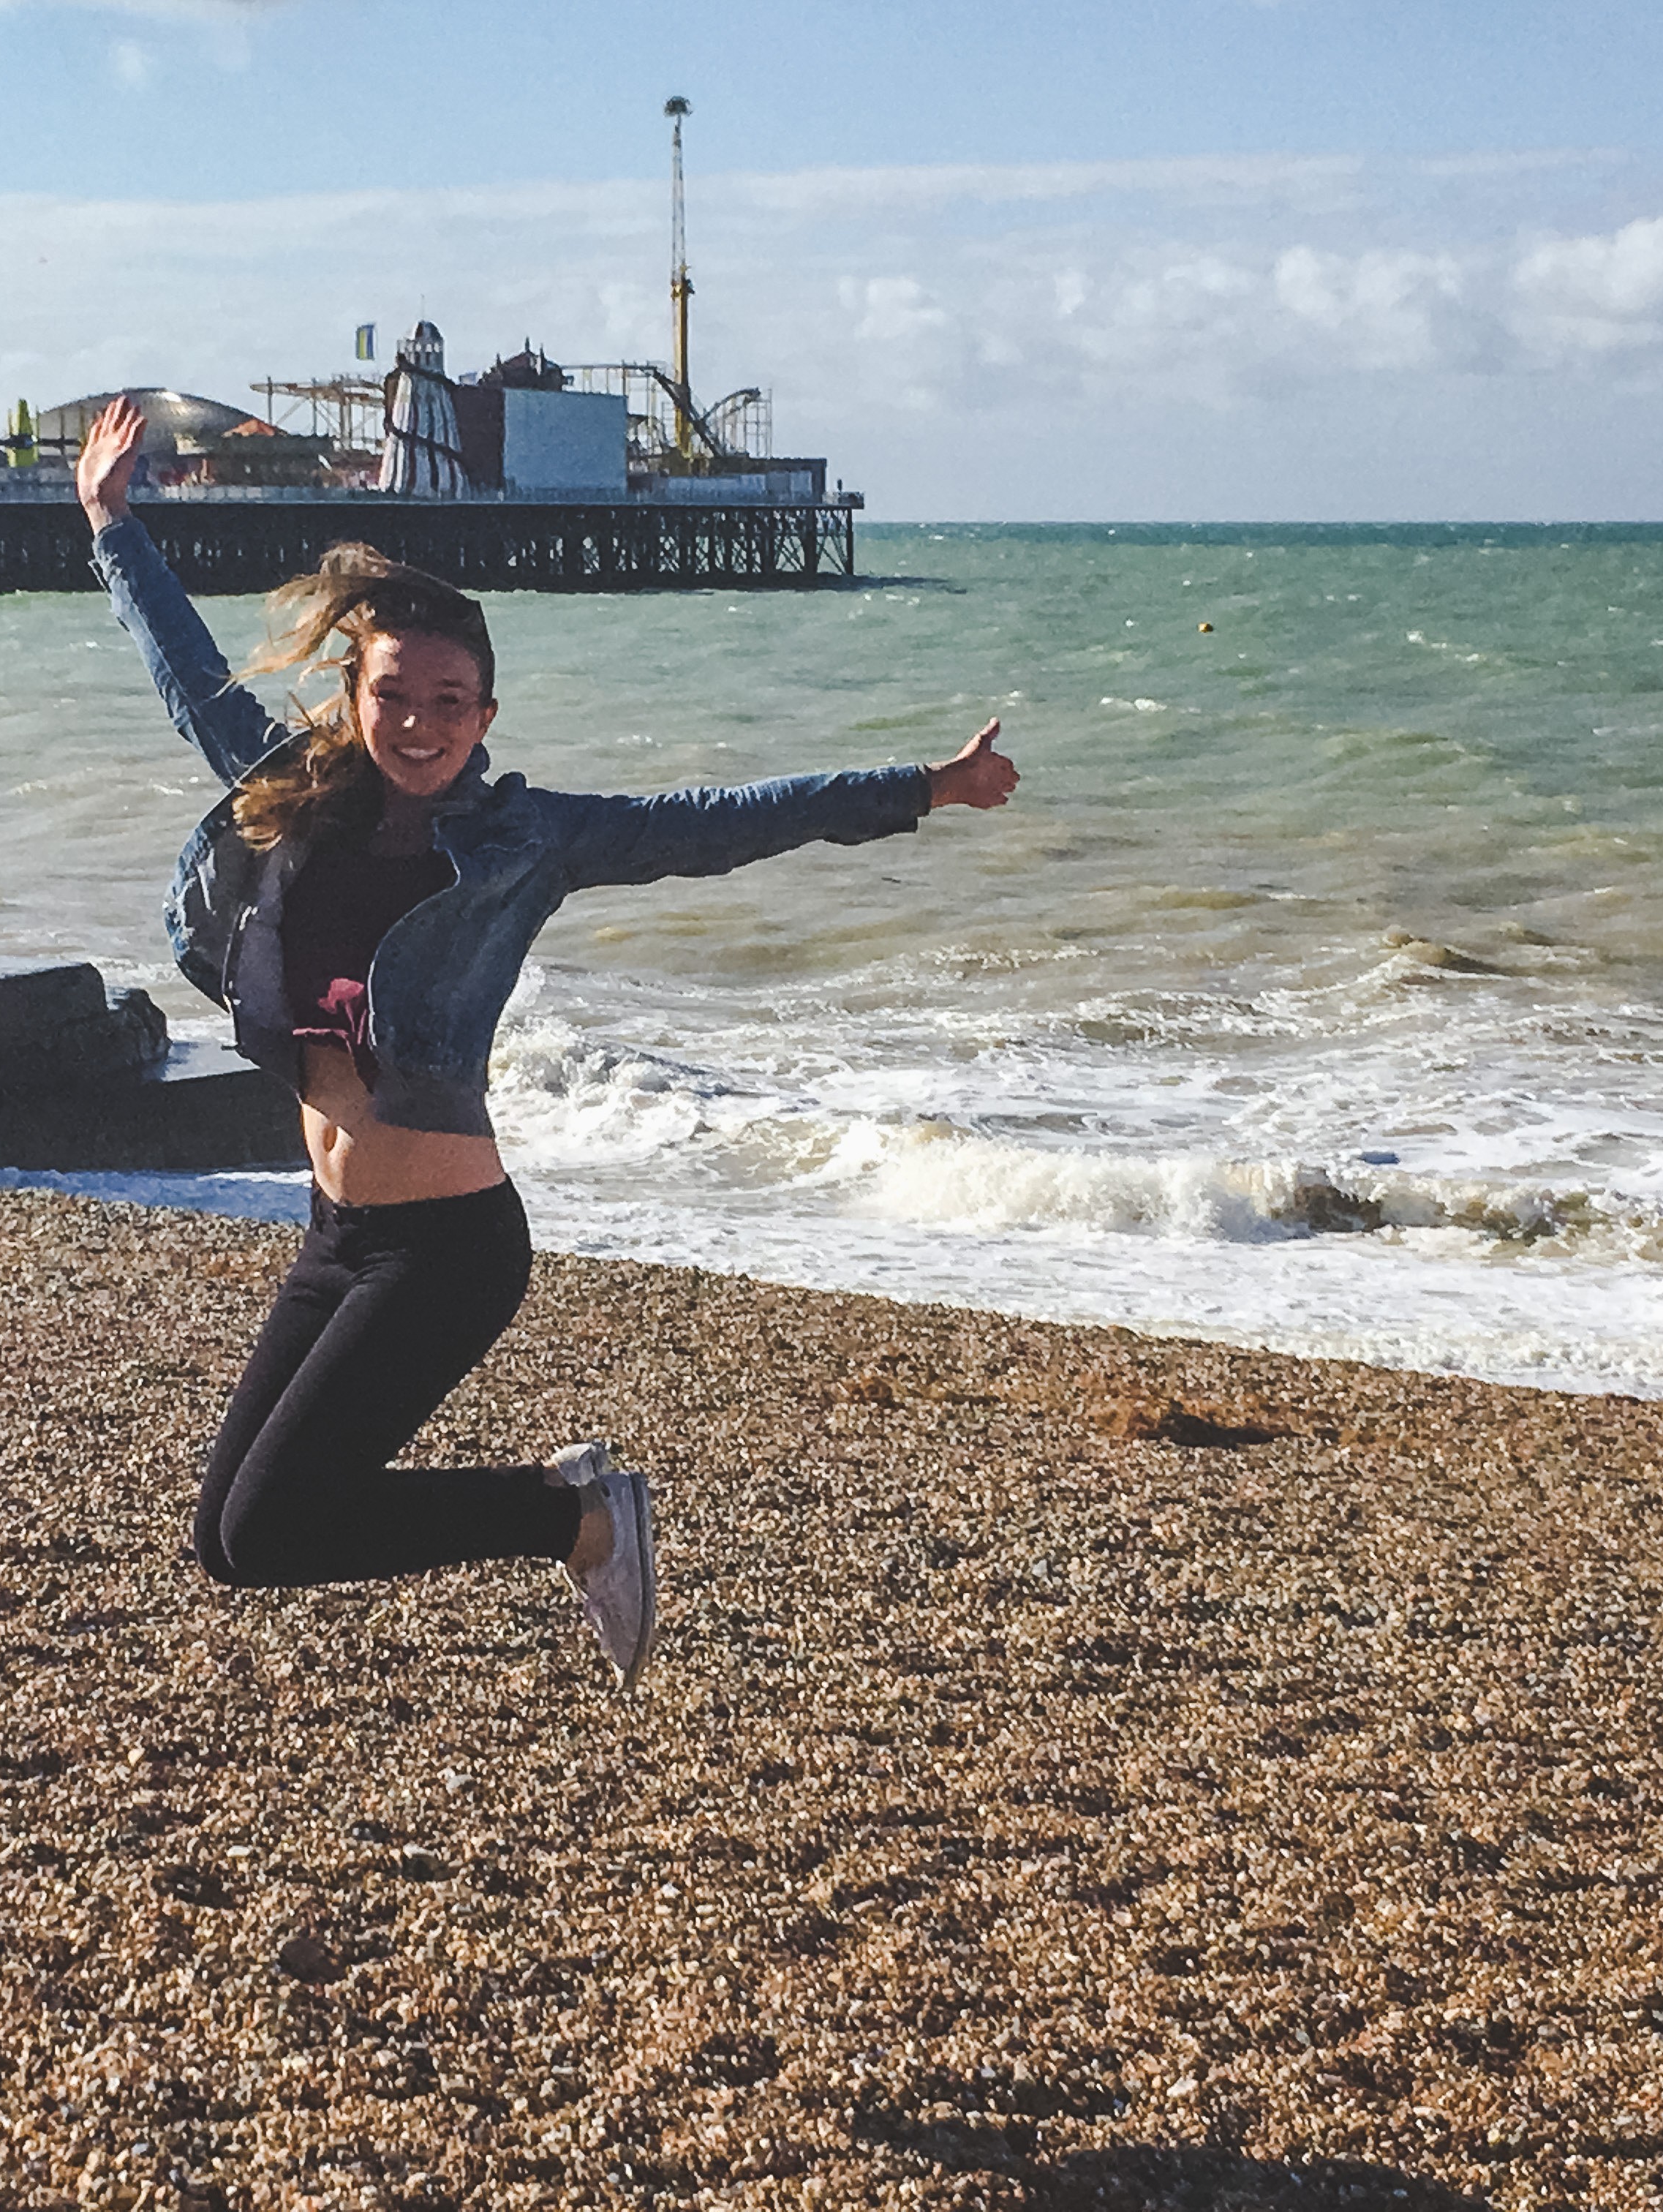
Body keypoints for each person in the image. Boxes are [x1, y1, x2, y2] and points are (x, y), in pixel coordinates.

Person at [78, 396, 1017, 1690]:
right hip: (335, 1234)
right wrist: (112, 524)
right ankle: (570, 1510)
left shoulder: (529, 841)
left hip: (449, 1251)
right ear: (354, 696)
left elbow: (723, 820)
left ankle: (573, 1513)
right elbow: (189, 681)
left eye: (450, 702)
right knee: (230, 1543)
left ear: (489, 713)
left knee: (277, 1525)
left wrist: (925, 788)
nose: (421, 723)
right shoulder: (293, 797)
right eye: (395, 695)